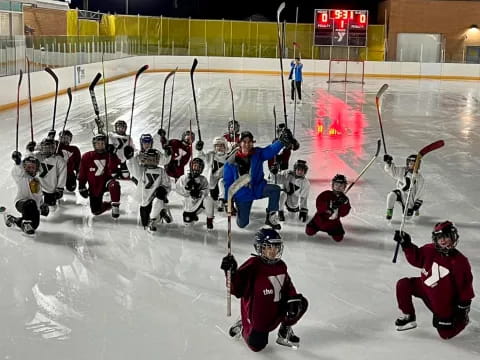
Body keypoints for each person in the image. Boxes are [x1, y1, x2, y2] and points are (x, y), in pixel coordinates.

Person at [220, 228, 308, 351]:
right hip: (259, 316)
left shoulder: (281, 265)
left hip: (276, 309)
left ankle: (284, 331)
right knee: (257, 346)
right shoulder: (253, 265)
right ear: (260, 248)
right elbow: (237, 290)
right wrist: (231, 272)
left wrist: (293, 299)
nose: (273, 251)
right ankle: (244, 325)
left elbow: (288, 286)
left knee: (300, 303)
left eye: (276, 247)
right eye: (269, 247)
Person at [393, 221, 474, 339]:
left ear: (453, 237)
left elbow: (465, 288)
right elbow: (416, 259)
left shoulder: (460, 262)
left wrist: (462, 311)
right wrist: (406, 244)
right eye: (439, 237)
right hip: (424, 287)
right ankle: (409, 316)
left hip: (443, 301)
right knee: (403, 284)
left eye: (446, 236)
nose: (442, 240)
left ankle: (463, 322)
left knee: (445, 334)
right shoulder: (429, 249)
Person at [223, 129, 297, 230]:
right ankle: (241, 212)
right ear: (240, 143)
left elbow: (270, 150)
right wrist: (228, 201)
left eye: (249, 142)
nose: (247, 144)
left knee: (275, 189)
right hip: (243, 194)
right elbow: (228, 183)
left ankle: (270, 217)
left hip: (258, 188)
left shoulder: (257, 153)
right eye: (244, 142)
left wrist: (281, 141)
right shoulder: (230, 162)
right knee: (243, 224)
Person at [126, 147, 172, 231]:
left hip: (156, 196)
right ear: (145, 159)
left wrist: (163, 191)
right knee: (144, 223)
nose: (151, 161)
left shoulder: (161, 171)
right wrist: (130, 158)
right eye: (149, 159)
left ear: (157, 160)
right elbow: (133, 169)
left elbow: (167, 184)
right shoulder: (142, 170)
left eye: (154, 159)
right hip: (145, 199)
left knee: (157, 203)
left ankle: (154, 219)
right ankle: (161, 213)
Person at [78, 134, 122, 218]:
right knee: (96, 211)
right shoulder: (86, 156)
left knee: (114, 185)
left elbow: (116, 166)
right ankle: (108, 205)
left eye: (102, 143)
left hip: (107, 181)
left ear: (106, 144)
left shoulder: (109, 155)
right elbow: (82, 173)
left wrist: (112, 154)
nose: (100, 145)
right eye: (98, 143)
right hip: (94, 186)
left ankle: (115, 206)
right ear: (94, 144)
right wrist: (81, 185)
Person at [5, 152, 49, 235]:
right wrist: (18, 162)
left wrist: (42, 205)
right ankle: (25, 223)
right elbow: (16, 171)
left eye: (33, 167)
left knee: (34, 225)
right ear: (24, 167)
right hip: (21, 203)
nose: (31, 169)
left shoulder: (38, 180)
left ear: (37, 168)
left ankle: (13, 220)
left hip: (33, 206)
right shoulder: (21, 176)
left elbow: (38, 196)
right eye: (28, 167)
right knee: (30, 203)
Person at [305, 174, 351, 242]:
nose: (338, 187)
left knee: (339, 238)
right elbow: (319, 205)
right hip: (319, 221)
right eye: (336, 185)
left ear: (344, 187)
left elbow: (343, 214)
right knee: (309, 231)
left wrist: (345, 203)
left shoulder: (344, 199)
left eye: (341, 186)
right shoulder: (326, 194)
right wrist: (329, 206)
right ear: (333, 185)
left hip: (333, 224)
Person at [175, 157, 215, 229]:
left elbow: (206, 190)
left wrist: (200, 192)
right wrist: (187, 189)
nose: (196, 168)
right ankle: (192, 216)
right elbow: (178, 190)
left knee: (208, 199)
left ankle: (209, 219)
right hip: (188, 206)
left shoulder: (203, 179)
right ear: (191, 166)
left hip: (199, 205)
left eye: (199, 167)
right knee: (188, 225)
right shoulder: (183, 178)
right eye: (195, 166)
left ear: (202, 169)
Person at [383, 153, 424, 220]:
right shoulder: (403, 171)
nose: (413, 166)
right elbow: (392, 172)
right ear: (407, 164)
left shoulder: (420, 178)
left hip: (410, 199)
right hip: (400, 193)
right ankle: (389, 211)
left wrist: (418, 202)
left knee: (407, 218)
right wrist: (388, 163)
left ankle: (413, 211)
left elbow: (421, 192)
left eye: (415, 164)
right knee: (391, 195)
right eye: (411, 163)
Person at [196, 136, 230, 212]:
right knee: (213, 197)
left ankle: (224, 201)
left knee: (222, 182)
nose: (219, 147)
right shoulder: (211, 155)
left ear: (225, 146)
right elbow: (201, 157)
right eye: (217, 145)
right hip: (212, 184)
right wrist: (199, 150)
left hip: (224, 184)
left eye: (221, 145)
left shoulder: (228, 157)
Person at [32, 138, 67, 210]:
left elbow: (62, 175)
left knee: (51, 209)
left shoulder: (59, 160)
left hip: (50, 188)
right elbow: (24, 163)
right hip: (36, 185)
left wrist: (60, 188)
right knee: (35, 204)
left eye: (50, 148)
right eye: (45, 148)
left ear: (54, 148)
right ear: (41, 147)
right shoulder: (35, 156)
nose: (47, 150)